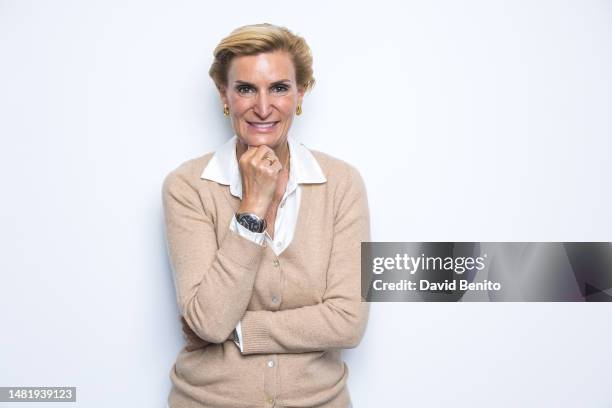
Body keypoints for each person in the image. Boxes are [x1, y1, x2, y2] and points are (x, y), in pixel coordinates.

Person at [161, 23, 370, 408]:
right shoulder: (187, 186)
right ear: (224, 94)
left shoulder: (342, 183)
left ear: (300, 93)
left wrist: (240, 331)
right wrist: (253, 208)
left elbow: (348, 321)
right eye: (245, 89)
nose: (262, 107)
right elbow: (208, 322)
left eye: (278, 88)